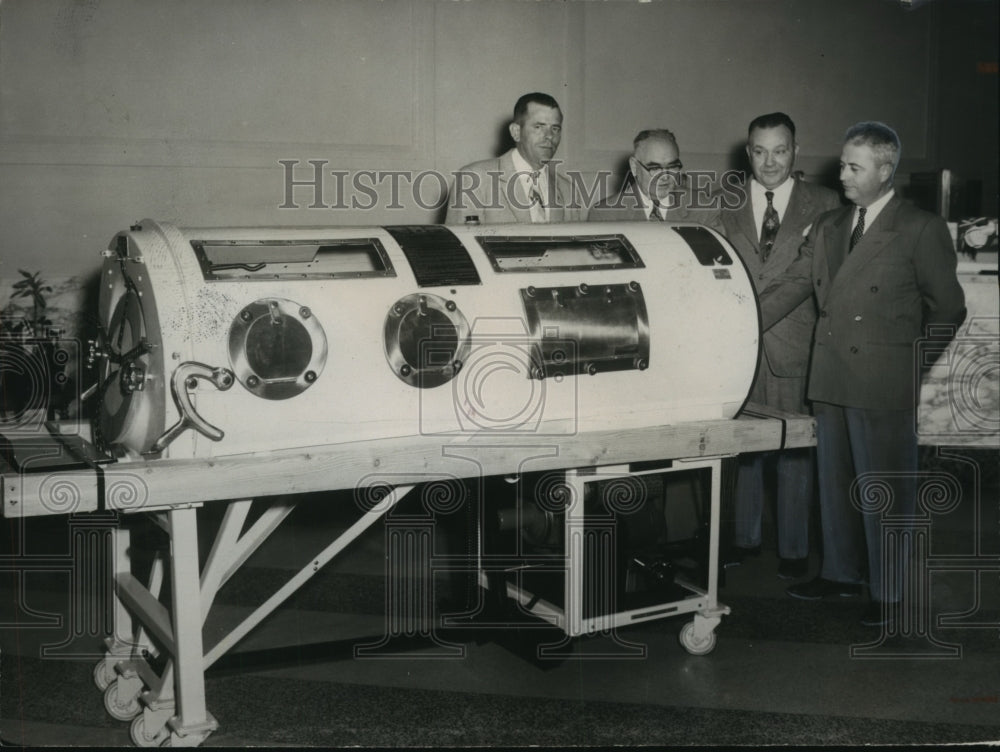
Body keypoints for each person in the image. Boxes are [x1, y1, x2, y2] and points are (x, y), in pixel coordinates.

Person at [758, 122, 965, 627]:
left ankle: (888, 590)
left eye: (855, 167)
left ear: (885, 170)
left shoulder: (919, 227)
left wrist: (908, 369)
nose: (843, 175)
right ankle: (841, 573)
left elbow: (948, 309)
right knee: (836, 484)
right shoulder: (830, 225)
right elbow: (789, 286)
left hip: (883, 381)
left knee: (886, 489)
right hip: (830, 377)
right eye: (844, 165)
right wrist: (738, 320)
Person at [721, 113, 841, 579]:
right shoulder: (723, 201)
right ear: (747, 151)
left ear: (795, 150)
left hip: (796, 343)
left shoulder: (827, 203)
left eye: (780, 150)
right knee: (746, 450)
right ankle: (745, 539)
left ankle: (794, 549)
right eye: (759, 150)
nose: (769, 161)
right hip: (738, 350)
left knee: (795, 450)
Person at [445, 92, 586, 224]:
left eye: (555, 128)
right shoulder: (474, 179)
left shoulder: (568, 190)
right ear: (516, 132)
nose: (549, 136)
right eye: (538, 127)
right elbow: (459, 248)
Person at [588, 129, 722, 230]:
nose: (664, 176)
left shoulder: (704, 209)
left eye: (672, 166)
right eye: (654, 168)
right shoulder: (604, 215)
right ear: (634, 166)